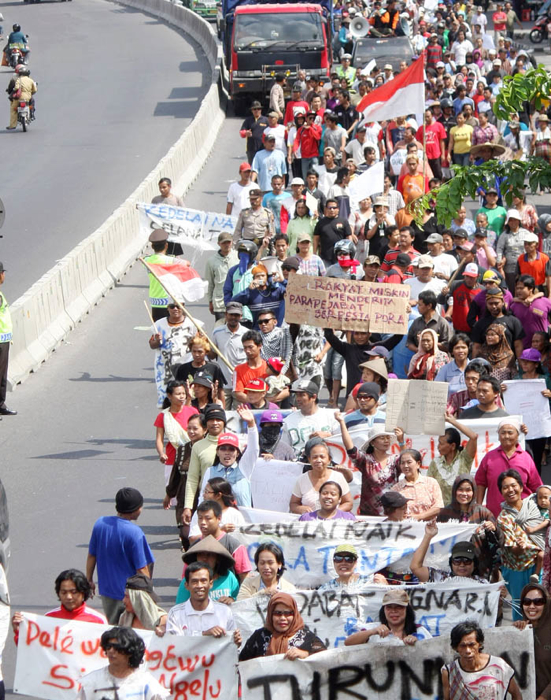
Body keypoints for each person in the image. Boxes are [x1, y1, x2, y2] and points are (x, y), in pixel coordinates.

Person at [86, 488, 154, 624]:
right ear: (134, 509)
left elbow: (92, 555)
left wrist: (89, 579)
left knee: (113, 630)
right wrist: (148, 593)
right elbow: (142, 569)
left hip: (107, 592)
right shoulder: (135, 533)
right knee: (132, 633)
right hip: (130, 595)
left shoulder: (100, 524)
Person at [12, 569, 106, 644]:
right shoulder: (48, 619)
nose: (69, 597)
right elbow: (33, 650)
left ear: (83, 592)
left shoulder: (98, 621)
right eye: (64, 592)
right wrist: (19, 632)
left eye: (73, 592)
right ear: (58, 593)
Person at [437, 474, 503, 581]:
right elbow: (438, 541)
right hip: (453, 567)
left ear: (474, 492)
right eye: (460, 490)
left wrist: (494, 529)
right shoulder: (445, 514)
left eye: (468, 490)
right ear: (454, 491)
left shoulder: (483, 513)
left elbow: (499, 541)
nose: (464, 494)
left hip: (481, 569)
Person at [497, 469, 542, 619]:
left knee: (542, 605)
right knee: (521, 608)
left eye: (513, 485)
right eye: (505, 487)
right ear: (501, 492)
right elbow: (514, 551)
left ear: (521, 487)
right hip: (517, 570)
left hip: (540, 564)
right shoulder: (503, 518)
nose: (510, 490)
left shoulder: (534, 506)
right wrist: (521, 547)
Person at [77, 627, 169, 700]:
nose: (111, 651)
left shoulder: (147, 685)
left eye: (117, 647)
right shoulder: (91, 682)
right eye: (108, 647)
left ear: (130, 651)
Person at [476, 418, 542, 517]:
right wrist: (478, 507)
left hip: (523, 516)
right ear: (498, 436)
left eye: (510, 433)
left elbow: (536, 487)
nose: (506, 436)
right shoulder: (489, 457)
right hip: (495, 516)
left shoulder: (526, 458)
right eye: (503, 433)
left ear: (517, 435)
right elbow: (480, 483)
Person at [336, 418, 403, 516]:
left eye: (388, 438)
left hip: (392, 512)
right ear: (372, 442)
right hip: (370, 514)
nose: (386, 441)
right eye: (382, 438)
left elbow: (406, 459)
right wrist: (342, 423)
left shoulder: (395, 459)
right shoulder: (365, 460)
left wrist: (401, 442)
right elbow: (350, 448)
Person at [441, 622, 521, 700]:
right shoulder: (450, 672)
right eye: (463, 646)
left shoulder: (498, 666)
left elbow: (516, 695)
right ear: (456, 647)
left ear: (479, 644)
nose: (468, 650)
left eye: (471, 645)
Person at [163, 562, 240, 642]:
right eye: (194, 582)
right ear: (186, 585)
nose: (199, 586)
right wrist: (203, 635)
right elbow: (174, 646)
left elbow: (233, 648)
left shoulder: (225, 612)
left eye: (203, 581)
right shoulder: (175, 614)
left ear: (211, 584)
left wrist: (236, 644)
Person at [239, 592, 326, 661]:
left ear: (294, 614)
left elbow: (325, 660)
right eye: (277, 613)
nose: (282, 618)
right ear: (270, 615)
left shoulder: (307, 637)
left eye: (288, 613)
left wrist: (305, 654)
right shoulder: (259, 636)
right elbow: (242, 664)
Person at [163, 412, 206, 548]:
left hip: (204, 496)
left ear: (205, 430)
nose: (191, 432)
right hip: (184, 496)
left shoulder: (211, 449)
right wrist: (169, 495)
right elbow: (176, 475)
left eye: (195, 428)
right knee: (185, 532)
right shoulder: (182, 449)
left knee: (202, 534)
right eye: (189, 428)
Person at [149, 300, 199, 408]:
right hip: (166, 370)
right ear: (168, 308)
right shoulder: (159, 325)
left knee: (189, 399)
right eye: (172, 306)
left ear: (183, 307)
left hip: (187, 368)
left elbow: (201, 344)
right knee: (168, 401)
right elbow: (152, 344)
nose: (175, 309)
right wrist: (157, 340)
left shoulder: (193, 324)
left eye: (178, 306)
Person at [345, 589, 432, 646]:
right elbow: (348, 643)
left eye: (398, 607)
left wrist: (417, 644)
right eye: (389, 607)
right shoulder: (373, 628)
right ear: (384, 610)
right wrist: (372, 632)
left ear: (407, 610)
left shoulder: (419, 631)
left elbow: (434, 652)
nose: (393, 611)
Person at [290, 437, 352, 514]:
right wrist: (300, 509)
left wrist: (334, 513)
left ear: (329, 460)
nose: (318, 460)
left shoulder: (338, 477)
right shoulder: (302, 479)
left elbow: (348, 503)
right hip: (309, 523)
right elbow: (293, 504)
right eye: (315, 457)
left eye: (322, 457)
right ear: (309, 459)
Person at [411, 523, 489, 584]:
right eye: (457, 561)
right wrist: (428, 536)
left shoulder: (482, 583)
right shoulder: (441, 578)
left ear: (474, 564)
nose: (462, 565)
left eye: (466, 561)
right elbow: (415, 567)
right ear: (451, 563)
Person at [427, 414, 478, 504]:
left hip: (463, 509)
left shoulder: (464, 458)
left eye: (441, 443)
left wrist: (452, 421)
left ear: (452, 446)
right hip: (442, 511)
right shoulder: (435, 463)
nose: (438, 447)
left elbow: (473, 436)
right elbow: (429, 487)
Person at [281, 379, 338, 457]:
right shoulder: (288, 421)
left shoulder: (330, 416)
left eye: (302, 395)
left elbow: (342, 442)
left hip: (325, 463)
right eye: (297, 395)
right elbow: (284, 449)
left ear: (314, 397)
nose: (298, 398)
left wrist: (328, 436)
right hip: (299, 464)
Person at [177, 535, 239, 604]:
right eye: (201, 554)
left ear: (217, 559)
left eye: (209, 555)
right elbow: (180, 607)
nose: (204, 558)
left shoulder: (229, 577)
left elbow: (238, 600)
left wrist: (232, 600)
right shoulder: (189, 579)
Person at [514, 584, 551, 699]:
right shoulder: (520, 631)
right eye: (526, 602)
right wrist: (511, 633)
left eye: (538, 602)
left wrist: (543, 697)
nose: (532, 606)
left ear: (547, 604)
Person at [211, 303, 247, 410]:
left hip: (240, 385)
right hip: (223, 385)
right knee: (221, 414)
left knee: (239, 416)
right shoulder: (217, 332)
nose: (233, 318)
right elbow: (212, 355)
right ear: (226, 315)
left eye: (236, 315)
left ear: (241, 316)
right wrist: (205, 345)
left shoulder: (247, 333)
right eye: (231, 315)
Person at [390, 449, 444, 520]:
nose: (405, 466)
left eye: (409, 462)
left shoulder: (431, 483)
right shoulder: (396, 489)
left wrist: (418, 517)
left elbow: (438, 507)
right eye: (402, 463)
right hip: (406, 529)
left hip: (429, 528)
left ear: (418, 464)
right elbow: (392, 512)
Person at [174, 334, 226, 404]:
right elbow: (177, 389)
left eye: (200, 352)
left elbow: (220, 391)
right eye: (194, 351)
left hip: (209, 406)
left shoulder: (214, 368)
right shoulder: (183, 369)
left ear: (206, 352)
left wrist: (222, 412)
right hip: (189, 406)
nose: (196, 354)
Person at [318, 543, 387, 591]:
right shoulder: (325, 589)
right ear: (334, 562)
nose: (343, 562)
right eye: (338, 558)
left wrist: (384, 587)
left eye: (349, 559)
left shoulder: (369, 583)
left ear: (355, 562)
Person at [205, 233, 239, 321]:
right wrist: (210, 301)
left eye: (228, 242)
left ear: (232, 242)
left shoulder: (238, 257)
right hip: (220, 302)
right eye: (224, 243)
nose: (227, 245)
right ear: (219, 244)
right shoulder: (211, 261)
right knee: (221, 328)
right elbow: (210, 283)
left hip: (236, 299)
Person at [313, 199, 352, 267]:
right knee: (325, 276)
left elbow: (349, 237)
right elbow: (316, 239)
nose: (332, 210)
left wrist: (349, 251)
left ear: (338, 209)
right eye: (330, 208)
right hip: (325, 257)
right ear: (326, 209)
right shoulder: (321, 223)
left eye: (334, 208)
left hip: (341, 256)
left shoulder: (344, 221)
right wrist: (314, 253)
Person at [0, 263, 15, 416]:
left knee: (2, 377)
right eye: (2, 273)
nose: (4, 276)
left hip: (3, 340)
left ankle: (1, 405)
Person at [6, 65, 36, 131]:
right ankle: (32, 114)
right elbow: (34, 89)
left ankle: (12, 125)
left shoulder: (15, 78)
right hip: (28, 97)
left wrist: (11, 92)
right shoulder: (30, 79)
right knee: (32, 103)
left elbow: (12, 88)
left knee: (13, 109)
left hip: (18, 97)